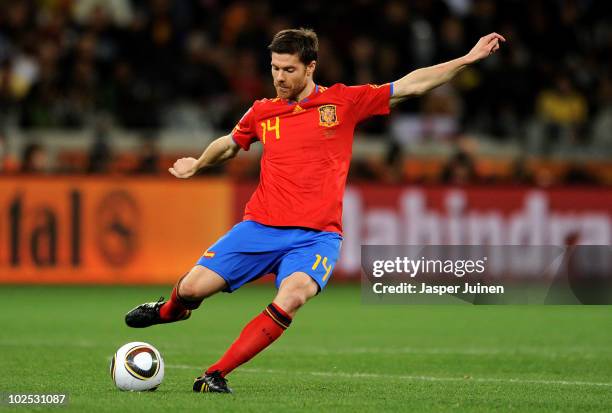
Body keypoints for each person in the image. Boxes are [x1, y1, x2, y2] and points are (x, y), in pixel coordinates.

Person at [125, 28, 505, 393]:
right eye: (274, 68)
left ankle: (215, 374)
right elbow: (229, 143)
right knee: (192, 288)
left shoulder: (342, 102)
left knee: (291, 297)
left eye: (288, 69)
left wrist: (469, 59)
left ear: (310, 67)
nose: (279, 77)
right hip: (260, 227)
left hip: (317, 237)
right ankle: (171, 310)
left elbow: (410, 84)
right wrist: (198, 164)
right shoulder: (263, 111)